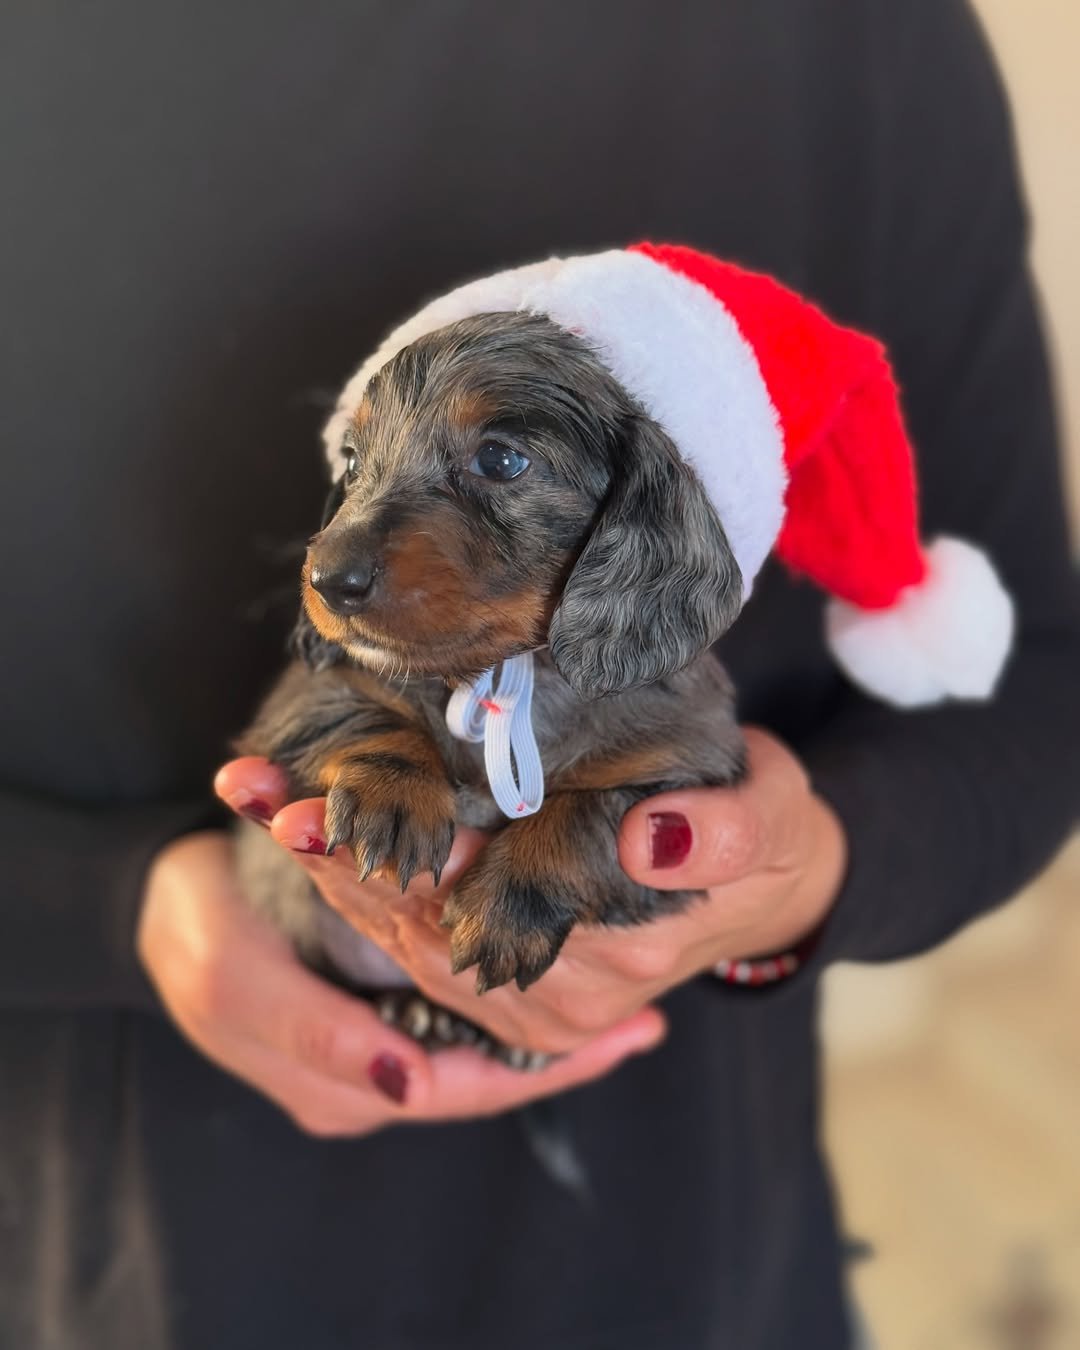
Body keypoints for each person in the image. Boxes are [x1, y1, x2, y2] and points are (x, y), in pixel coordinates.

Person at [2, 2, 1077, 1347]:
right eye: (356, 473)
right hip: (140, 1260)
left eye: (498, 461)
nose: (338, 557)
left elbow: (1036, 690)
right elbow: (315, 718)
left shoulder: (854, 40)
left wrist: (791, 866)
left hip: (688, 1262)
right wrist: (122, 910)